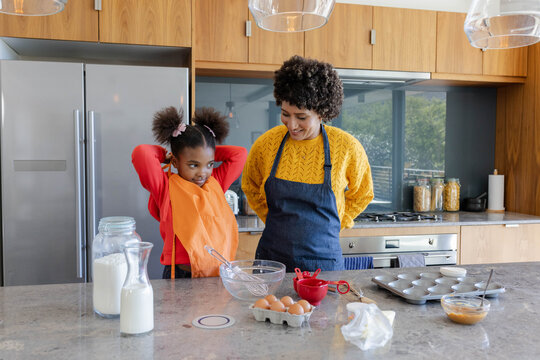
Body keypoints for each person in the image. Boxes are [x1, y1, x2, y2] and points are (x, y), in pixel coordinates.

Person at [242, 55, 374, 272]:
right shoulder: (267, 144)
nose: (291, 124)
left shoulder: (346, 147)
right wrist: (273, 220)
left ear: (322, 112)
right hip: (273, 262)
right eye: (285, 114)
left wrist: (336, 223)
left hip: (324, 263)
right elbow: (250, 185)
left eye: (301, 117)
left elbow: (363, 193)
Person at [132, 107, 247, 278]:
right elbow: (141, 153)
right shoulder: (165, 187)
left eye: (209, 164)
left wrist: (206, 151)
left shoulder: (215, 182)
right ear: (176, 162)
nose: (202, 173)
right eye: (193, 165)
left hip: (216, 274)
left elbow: (240, 154)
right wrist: (167, 156)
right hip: (180, 276)